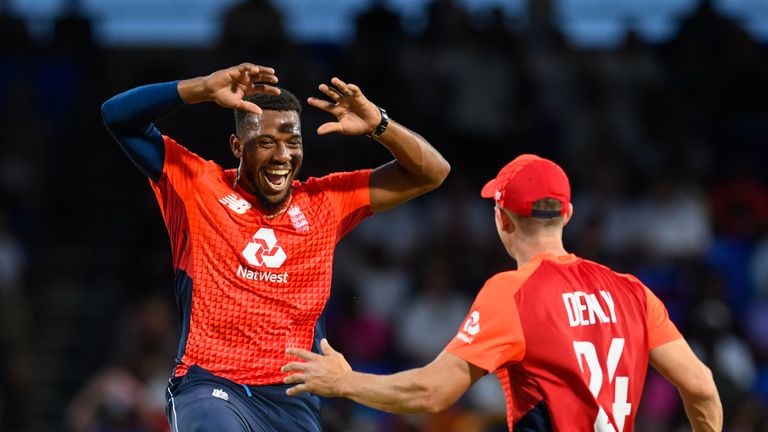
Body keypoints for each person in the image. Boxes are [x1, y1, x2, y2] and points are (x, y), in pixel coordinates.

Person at [101, 62, 450, 432]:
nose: (282, 156)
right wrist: (202, 87)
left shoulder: (325, 202)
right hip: (211, 385)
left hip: (292, 400)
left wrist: (380, 125)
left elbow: (432, 172)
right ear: (237, 145)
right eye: (267, 142)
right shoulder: (198, 187)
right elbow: (117, 116)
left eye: (292, 142)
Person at [283, 154, 723, 431]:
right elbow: (702, 387)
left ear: (502, 219)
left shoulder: (512, 293)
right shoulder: (633, 291)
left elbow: (431, 394)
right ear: (567, 214)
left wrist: (345, 382)